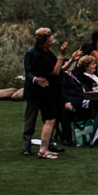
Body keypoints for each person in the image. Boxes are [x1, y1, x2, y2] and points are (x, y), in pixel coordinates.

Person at [22, 27, 65, 159]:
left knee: (49, 118)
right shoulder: (32, 53)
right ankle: (26, 146)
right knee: (31, 118)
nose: (52, 41)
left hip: (48, 89)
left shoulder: (47, 52)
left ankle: (50, 143)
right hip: (35, 90)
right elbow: (28, 70)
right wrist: (35, 79)